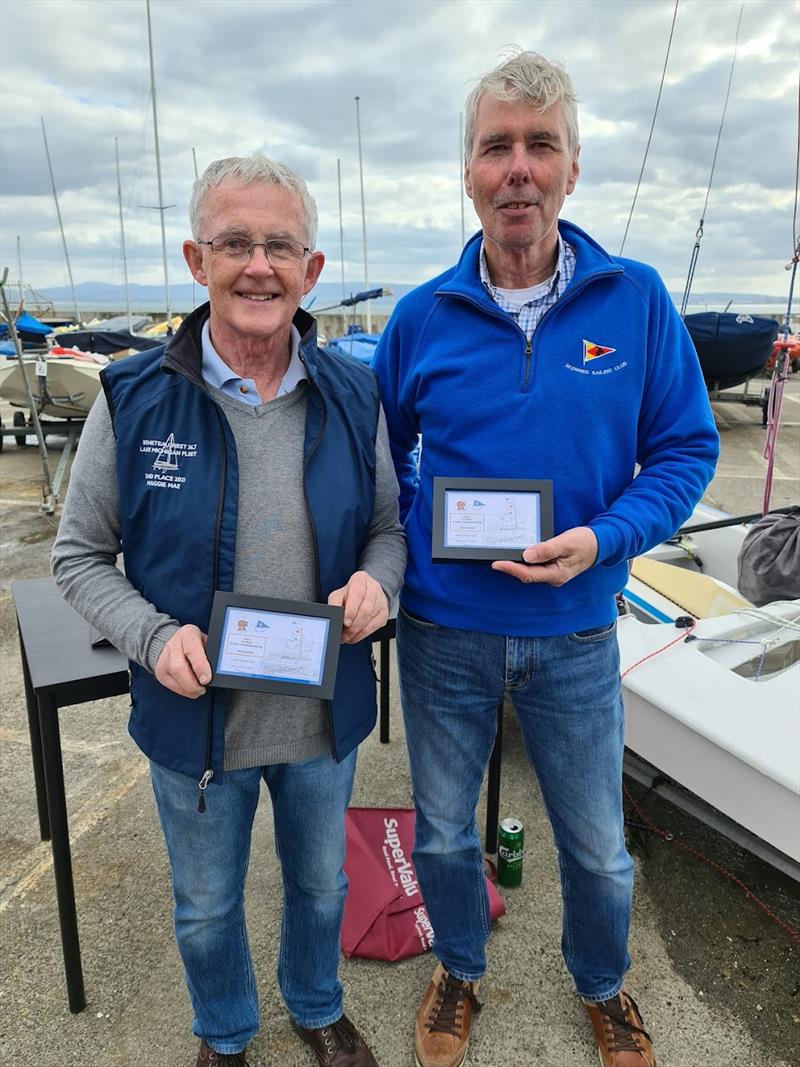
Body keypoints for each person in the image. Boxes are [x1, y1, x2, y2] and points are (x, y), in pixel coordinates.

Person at [373, 51, 719, 1067]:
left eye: (538, 145)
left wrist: (604, 539)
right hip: (442, 634)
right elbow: (380, 457)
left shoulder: (636, 300)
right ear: (468, 171)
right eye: (495, 146)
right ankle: (461, 967)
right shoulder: (419, 316)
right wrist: (414, 542)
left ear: (570, 167)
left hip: (573, 634)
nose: (516, 167)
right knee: (439, 836)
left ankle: (602, 983)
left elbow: (686, 447)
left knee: (596, 850)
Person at [52, 155, 406, 1067]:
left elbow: (386, 530)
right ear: (195, 258)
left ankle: (318, 1006)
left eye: (279, 245)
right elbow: (79, 557)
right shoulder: (132, 399)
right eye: (235, 242)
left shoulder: (351, 392)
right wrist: (152, 635)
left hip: (320, 716)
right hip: (194, 714)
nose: (258, 265)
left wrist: (380, 583)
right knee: (206, 904)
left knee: (320, 886)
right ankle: (225, 1033)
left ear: (311, 269)